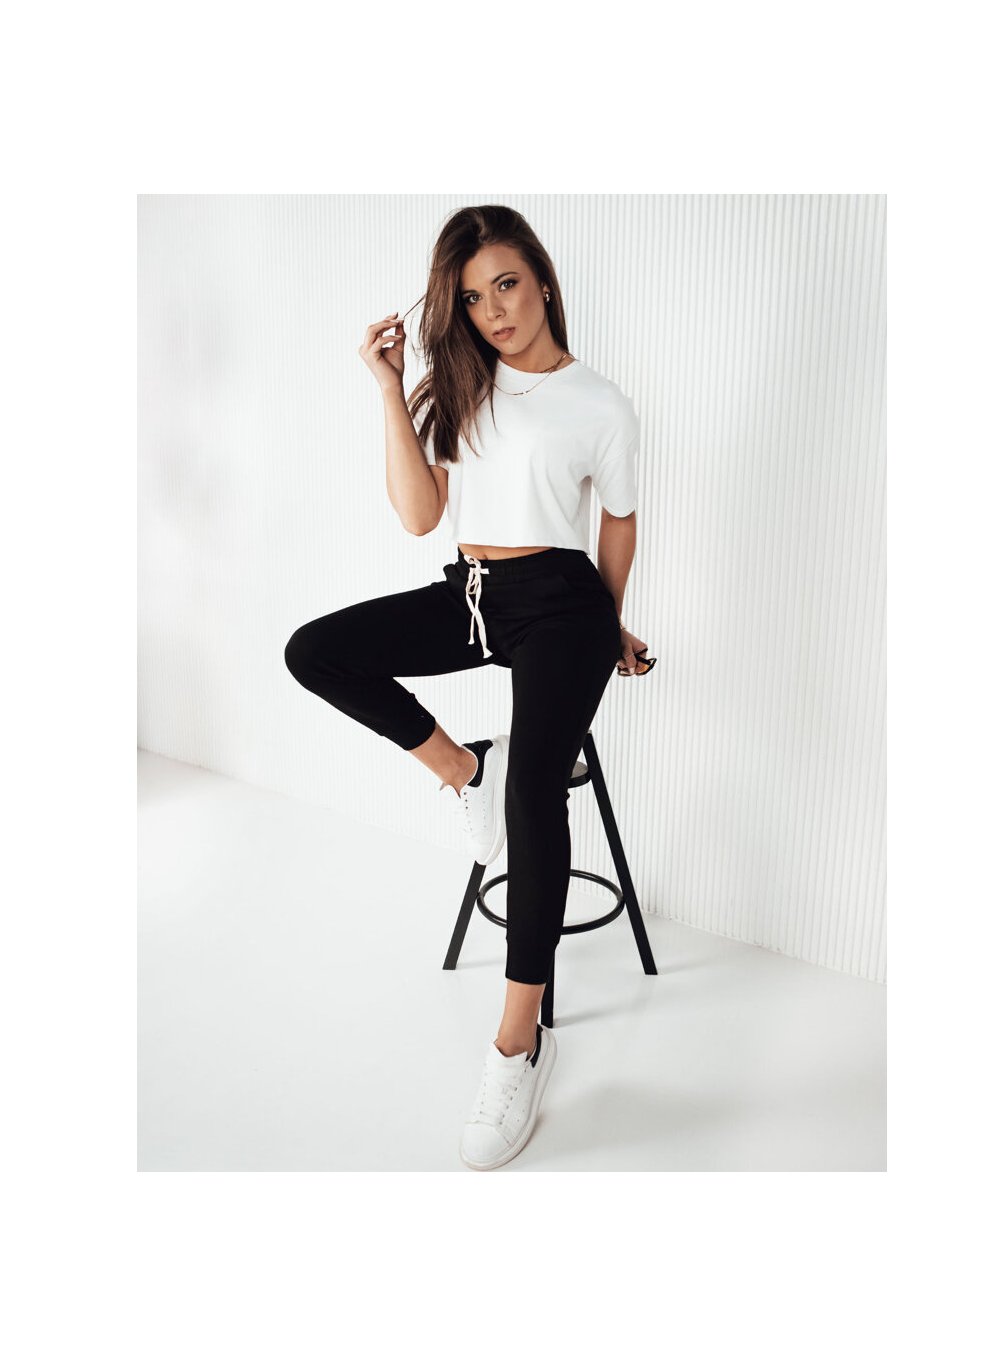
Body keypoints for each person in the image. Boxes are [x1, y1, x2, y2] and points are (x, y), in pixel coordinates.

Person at [284, 205, 652, 1171]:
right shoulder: (465, 387)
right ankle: (464, 771)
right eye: (475, 296)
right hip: (476, 593)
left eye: (508, 285)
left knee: (539, 790)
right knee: (316, 651)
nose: (495, 311)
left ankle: (518, 1042)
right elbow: (419, 517)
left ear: (543, 281)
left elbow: (616, 521)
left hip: (564, 604)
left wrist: (609, 623)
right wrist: (389, 387)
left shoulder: (600, 404)